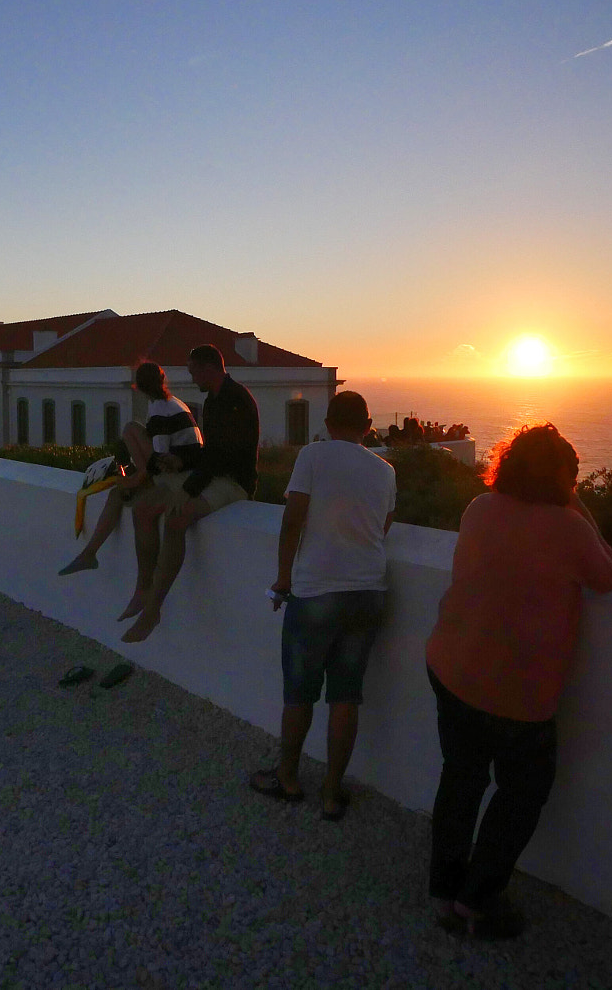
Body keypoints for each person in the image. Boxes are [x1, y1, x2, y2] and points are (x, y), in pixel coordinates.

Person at [424, 422, 612, 939]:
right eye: (571, 476)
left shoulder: (479, 508)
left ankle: (444, 889)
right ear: (562, 478)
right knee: (522, 794)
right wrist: (577, 506)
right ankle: (478, 900)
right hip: (516, 696)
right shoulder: (569, 527)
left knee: (461, 779)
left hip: (452, 666)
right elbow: (608, 576)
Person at [248, 391, 394, 821]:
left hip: (316, 594)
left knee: (299, 694)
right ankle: (332, 793)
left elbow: (293, 517)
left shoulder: (312, 456)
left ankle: (288, 778)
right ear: (368, 426)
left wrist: (283, 578)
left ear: (328, 423)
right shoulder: (385, 471)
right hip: (368, 592)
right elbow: (381, 527)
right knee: (346, 695)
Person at [118, 344, 258, 643]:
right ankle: (144, 587)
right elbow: (211, 453)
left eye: (194, 371)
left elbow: (225, 458)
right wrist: (183, 463)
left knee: (176, 519)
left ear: (209, 368)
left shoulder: (235, 400)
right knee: (143, 509)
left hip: (233, 482)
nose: (192, 378)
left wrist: (189, 488)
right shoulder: (214, 401)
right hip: (213, 475)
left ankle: (153, 609)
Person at [58, 361, 200, 576]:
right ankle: (89, 553)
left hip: (177, 474)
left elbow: (160, 458)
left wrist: (137, 478)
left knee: (130, 429)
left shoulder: (161, 408)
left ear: (139, 386)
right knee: (117, 494)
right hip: (175, 470)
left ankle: (94, 554)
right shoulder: (170, 403)